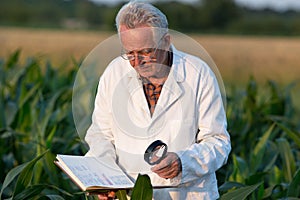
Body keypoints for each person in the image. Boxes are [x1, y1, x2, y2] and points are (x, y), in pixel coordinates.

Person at [84, 1, 231, 199]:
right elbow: (101, 135)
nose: (137, 62)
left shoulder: (198, 74)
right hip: (130, 194)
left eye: (145, 52)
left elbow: (218, 142)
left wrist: (183, 162)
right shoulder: (114, 72)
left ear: (165, 41)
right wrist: (106, 179)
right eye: (130, 53)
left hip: (186, 194)